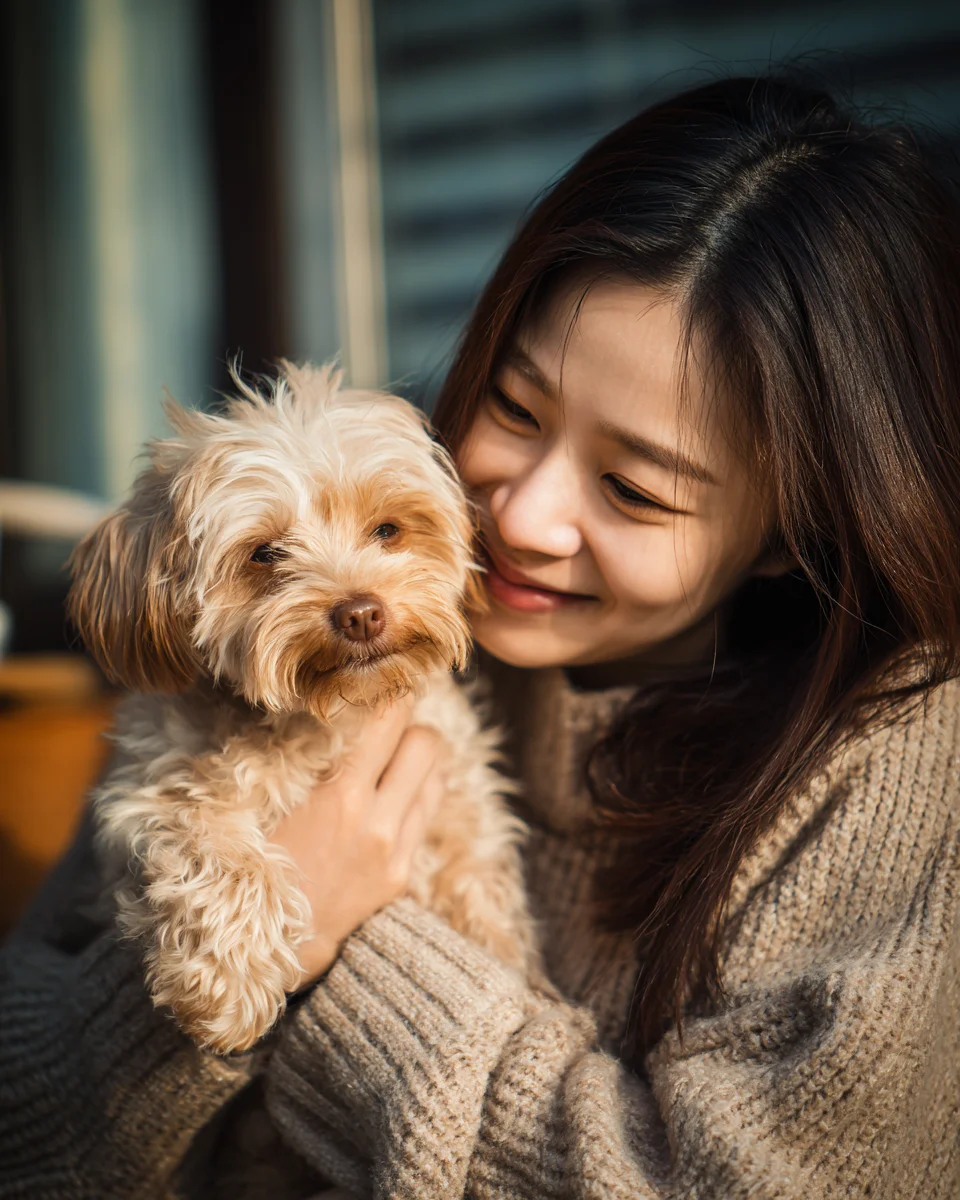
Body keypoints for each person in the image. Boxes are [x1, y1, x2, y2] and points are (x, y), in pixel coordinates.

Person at [3, 73, 960, 1199]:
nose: (518, 515)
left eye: (634, 488)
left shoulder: (898, 764)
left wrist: (334, 940)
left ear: (786, 537)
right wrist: (188, 993)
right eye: (513, 406)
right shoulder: (285, 654)